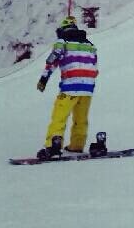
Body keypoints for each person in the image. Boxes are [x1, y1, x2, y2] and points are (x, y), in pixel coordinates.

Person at [36, 14, 98, 157]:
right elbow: (94, 65)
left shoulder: (62, 42)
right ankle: (77, 145)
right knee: (81, 119)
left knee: (59, 116)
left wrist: (43, 80)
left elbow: (52, 61)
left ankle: (53, 145)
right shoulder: (89, 45)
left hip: (70, 87)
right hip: (88, 88)